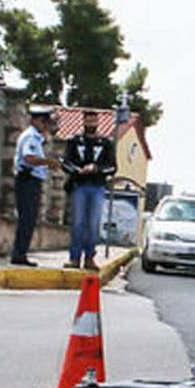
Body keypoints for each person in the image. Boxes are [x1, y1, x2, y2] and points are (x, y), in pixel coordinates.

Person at [62, 110, 119, 271]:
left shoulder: (106, 143)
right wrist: (77, 170)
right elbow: (66, 162)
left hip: (97, 187)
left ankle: (89, 257)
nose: (91, 125)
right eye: (88, 121)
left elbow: (113, 167)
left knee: (93, 224)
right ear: (83, 122)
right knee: (78, 223)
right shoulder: (74, 141)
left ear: (98, 123)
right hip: (79, 186)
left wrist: (97, 169)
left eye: (93, 122)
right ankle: (74, 257)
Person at [10, 106, 60, 266]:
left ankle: (20, 253)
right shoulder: (31, 137)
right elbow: (29, 158)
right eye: (43, 121)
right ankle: (18, 254)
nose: (45, 125)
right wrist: (47, 162)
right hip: (28, 180)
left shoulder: (36, 138)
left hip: (31, 180)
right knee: (27, 219)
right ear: (34, 120)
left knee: (29, 219)